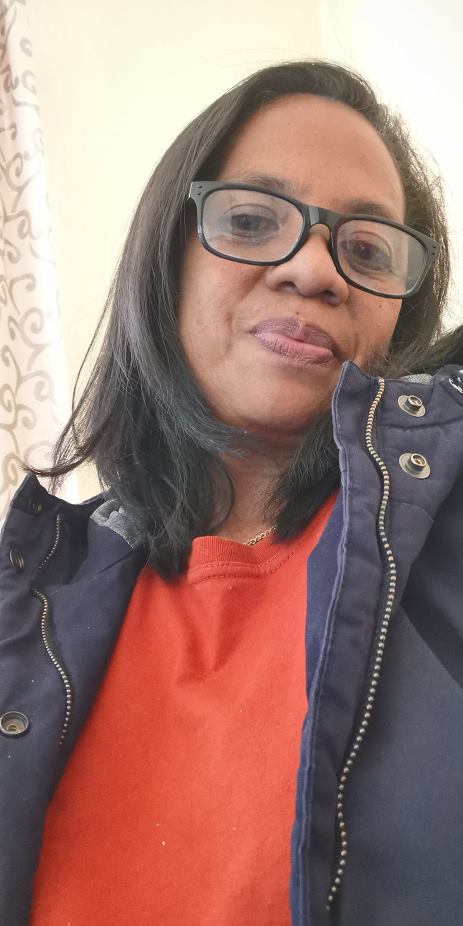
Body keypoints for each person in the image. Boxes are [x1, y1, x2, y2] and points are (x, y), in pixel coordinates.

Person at [1, 59, 462, 926]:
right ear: (163, 259)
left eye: (367, 249)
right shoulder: (27, 608)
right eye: (250, 221)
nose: (316, 271)